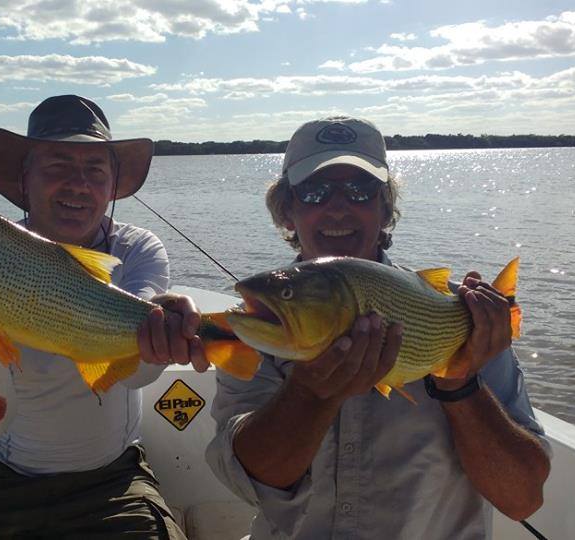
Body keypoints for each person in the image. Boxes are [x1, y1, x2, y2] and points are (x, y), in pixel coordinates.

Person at [0, 95, 207, 539]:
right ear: (24, 178)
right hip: (1, 478)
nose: (78, 184)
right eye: (57, 165)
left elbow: (135, 377)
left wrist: (168, 332)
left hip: (114, 479)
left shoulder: (137, 249)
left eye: (95, 170)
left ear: (111, 187)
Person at [206, 116, 551, 539]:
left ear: (384, 208)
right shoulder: (263, 322)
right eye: (314, 192)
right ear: (287, 211)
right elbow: (249, 479)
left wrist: (459, 381)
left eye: (360, 190)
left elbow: (522, 499)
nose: (337, 207)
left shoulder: (466, 320)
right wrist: (311, 392)